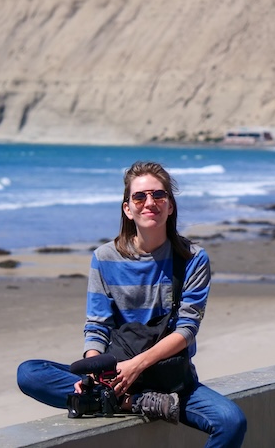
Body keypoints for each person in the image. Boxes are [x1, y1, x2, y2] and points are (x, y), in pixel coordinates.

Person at [17, 161, 247, 447]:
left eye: (158, 195)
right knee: (29, 373)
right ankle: (132, 402)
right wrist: (93, 372)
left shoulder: (192, 258)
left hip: (171, 382)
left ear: (170, 206)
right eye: (139, 196)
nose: (150, 202)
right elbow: (98, 326)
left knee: (231, 421)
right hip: (116, 379)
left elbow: (187, 330)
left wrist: (137, 365)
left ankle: (119, 400)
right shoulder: (104, 258)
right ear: (127, 208)